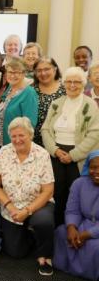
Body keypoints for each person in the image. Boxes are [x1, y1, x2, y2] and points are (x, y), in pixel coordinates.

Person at [0, 117, 55, 276]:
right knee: (16, 252)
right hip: (11, 208)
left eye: (21, 135)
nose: (17, 140)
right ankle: (30, 234)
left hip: (38, 205)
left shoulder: (42, 154)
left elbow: (48, 191)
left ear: (30, 135)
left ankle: (44, 255)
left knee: (43, 222)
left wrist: (27, 211)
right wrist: (10, 207)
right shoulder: (4, 152)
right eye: (13, 136)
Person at [41, 66, 99, 226]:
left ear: (84, 84)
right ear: (64, 83)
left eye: (77, 82)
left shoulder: (91, 105)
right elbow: (45, 129)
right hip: (56, 155)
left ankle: (73, 230)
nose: (72, 85)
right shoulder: (56, 103)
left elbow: (94, 134)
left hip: (78, 157)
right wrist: (55, 150)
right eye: (69, 82)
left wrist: (73, 155)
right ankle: (57, 231)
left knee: (75, 196)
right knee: (56, 195)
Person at [53, 150, 99, 281]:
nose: (96, 172)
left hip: (95, 229)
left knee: (96, 246)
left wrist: (87, 234)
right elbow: (73, 210)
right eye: (93, 167)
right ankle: (69, 268)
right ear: (87, 168)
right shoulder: (79, 183)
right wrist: (71, 227)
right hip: (83, 222)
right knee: (61, 232)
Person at [0, 57, 38, 147]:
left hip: (16, 144)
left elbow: (30, 124)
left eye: (17, 72)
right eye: (10, 72)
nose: (13, 75)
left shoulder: (29, 93)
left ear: (24, 73)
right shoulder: (9, 89)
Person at [32, 57, 65, 146]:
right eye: (39, 70)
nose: (43, 73)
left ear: (55, 69)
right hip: (34, 141)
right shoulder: (31, 90)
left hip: (59, 141)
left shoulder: (66, 89)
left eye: (47, 69)